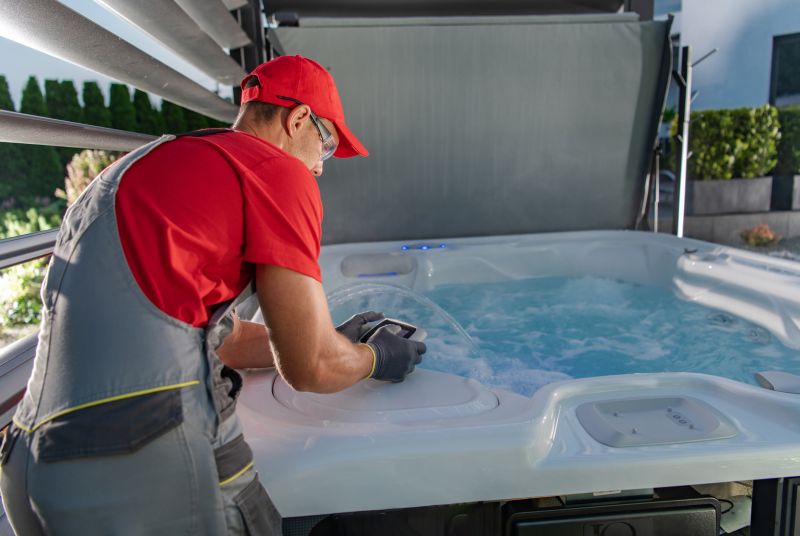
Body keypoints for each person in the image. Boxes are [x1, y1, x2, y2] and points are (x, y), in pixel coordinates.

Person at [0, 55, 426, 535]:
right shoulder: (279, 173)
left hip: (29, 459)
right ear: (298, 119)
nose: (320, 167)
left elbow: (202, 336)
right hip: (140, 456)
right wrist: (374, 357)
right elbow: (312, 368)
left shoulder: (143, 164)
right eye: (325, 144)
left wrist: (331, 337)